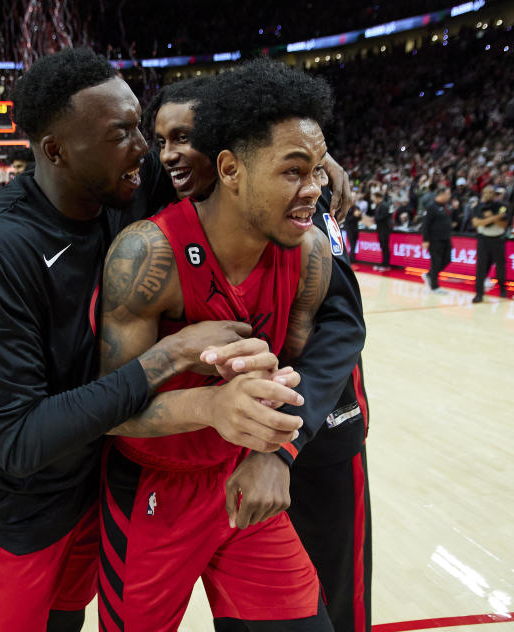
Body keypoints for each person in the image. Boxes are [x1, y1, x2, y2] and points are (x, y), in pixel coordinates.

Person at [0, 48, 305, 632]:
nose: (146, 149)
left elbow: (230, 156)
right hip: (18, 510)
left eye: (141, 126)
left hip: (96, 488)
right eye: (123, 134)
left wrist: (311, 164)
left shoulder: (122, 186)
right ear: (55, 150)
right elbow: (15, 439)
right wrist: (172, 355)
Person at [98, 58, 337, 632]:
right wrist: (210, 405)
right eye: (294, 172)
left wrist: (271, 451)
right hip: (155, 490)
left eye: (320, 172)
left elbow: (295, 369)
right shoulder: (146, 255)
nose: (314, 192)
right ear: (230, 169)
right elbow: (105, 409)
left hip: (242, 480)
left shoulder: (309, 254)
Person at [147, 74, 371, 632]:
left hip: (311, 434)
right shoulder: (160, 210)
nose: (174, 154)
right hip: (209, 458)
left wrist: (285, 445)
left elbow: (342, 327)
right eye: (164, 140)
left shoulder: (298, 211)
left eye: (188, 136)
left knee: (333, 601)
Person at [471, 185, 509, 302]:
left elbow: (503, 224)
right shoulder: (477, 207)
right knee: (481, 267)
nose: (488, 194)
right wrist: (495, 218)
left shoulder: (502, 206)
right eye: (486, 192)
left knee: (500, 266)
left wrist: (490, 218)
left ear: (495, 194)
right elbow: (476, 223)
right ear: (482, 193)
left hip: (498, 239)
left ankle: (502, 289)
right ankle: (479, 294)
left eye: (491, 192)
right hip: (483, 240)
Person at [421, 184, 453, 293]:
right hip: (435, 240)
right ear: (441, 194)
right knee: (436, 262)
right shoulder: (432, 207)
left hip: (446, 239)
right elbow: (426, 224)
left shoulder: (445, 207)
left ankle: (430, 275)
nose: (450, 196)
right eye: (448, 194)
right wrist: (425, 240)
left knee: (447, 259)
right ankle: (434, 287)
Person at [372, 190, 391, 270]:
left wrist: (374, 219)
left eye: (374, 198)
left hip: (384, 230)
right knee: (383, 247)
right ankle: (384, 263)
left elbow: (383, 217)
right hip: (380, 230)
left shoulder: (384, 206)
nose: (373, 199)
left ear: (378, 198)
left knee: (385, 247)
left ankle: (386, 265)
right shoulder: (379, 206)